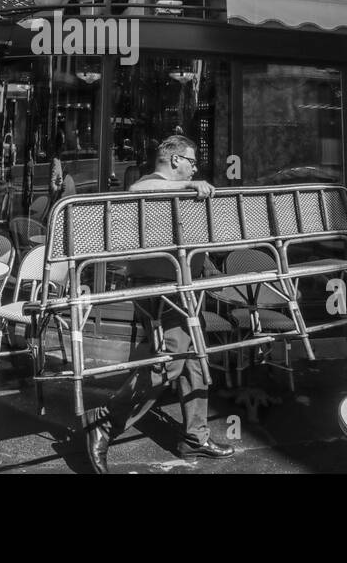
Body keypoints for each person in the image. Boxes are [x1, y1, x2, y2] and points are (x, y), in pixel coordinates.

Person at [84, 135, 235, 473]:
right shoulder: (148, 186)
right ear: (175, 160)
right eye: (192, 162)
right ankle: (105, 419)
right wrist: (191, 186)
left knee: (193, 358)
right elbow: (140, 193)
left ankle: (195, 437)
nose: (196, 168)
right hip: (161, 288)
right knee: (169, 361)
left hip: (181, 285)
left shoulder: (174, 192)